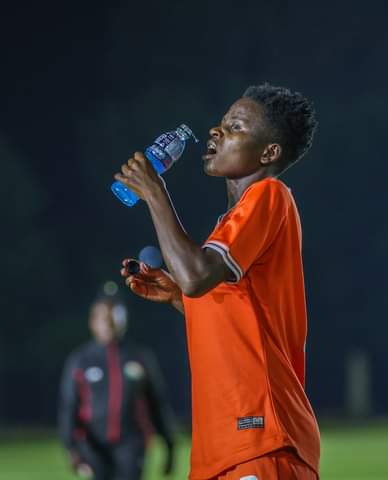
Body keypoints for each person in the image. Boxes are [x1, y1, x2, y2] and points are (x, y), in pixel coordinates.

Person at [114, 84, 320, 479]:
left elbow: (196, 277)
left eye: (236, 127)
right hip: (223, 448)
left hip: (259, 439)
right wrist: (179, 297)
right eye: (221, 124)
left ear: (269, 152)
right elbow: (223, 305)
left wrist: (155, 193)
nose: (216, 132)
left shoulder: (269, 195)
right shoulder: (231, 227)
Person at [59, 297, 175, 480]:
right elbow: (69, 406)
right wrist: (70, 448)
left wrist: (169, 445)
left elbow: (157, 402)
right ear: (93, 322)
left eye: (115, 318)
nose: (110, 324)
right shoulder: (81, 360)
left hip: (132, 443)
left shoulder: (139, 357)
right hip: (93, 444)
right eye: (104, 318)